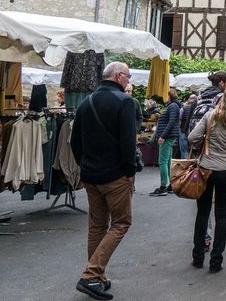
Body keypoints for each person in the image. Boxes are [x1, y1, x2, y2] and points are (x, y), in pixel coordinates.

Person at [70, 62, 137, 300]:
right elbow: (128, 142)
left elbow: (74, 140)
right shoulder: (125, 102)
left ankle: (96, 277)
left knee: (97, 226)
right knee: (121, 223)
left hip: (90, 174)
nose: (129, 81)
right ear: (118, 76)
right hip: (115, 174)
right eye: (128, 77)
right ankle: (91, 275)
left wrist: (84, 164)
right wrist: (130, 172)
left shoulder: (86, 102)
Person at [188, 87, 226, 273]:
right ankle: (216, 261)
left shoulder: (210, 116)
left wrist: (205, 141)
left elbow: (193, 137)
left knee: (202, 213)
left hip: (206, 168)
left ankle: (198, 257)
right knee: (222, 215)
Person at [150, 88, 181, 196]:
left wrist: (163, 136)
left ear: (169, 96)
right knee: (167, 160)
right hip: (169, 136)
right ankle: (169, 186)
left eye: (164, 95)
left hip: (167, 137)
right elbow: (172, 121)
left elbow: (172, 122)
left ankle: (163, 186)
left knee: (162, 161)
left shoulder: (172, 106)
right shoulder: (173, 106)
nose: (163, 98)